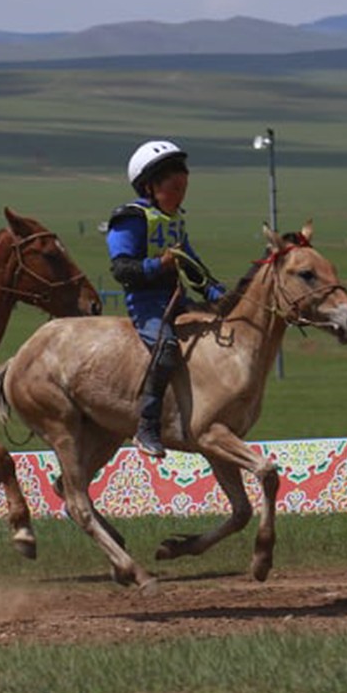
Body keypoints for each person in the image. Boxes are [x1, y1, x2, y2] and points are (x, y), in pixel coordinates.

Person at [106, 140, 226, 457]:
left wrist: (217, 293)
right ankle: (146, 426)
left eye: (183, 187)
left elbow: (191, 263)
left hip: (176, 299)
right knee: (167, 348)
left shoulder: (174, 221)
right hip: (146, 305)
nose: (180, 194)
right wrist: (157, 265)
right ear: (149, 187)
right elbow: (122, 268)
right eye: (174, 187)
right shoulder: (131, 218)